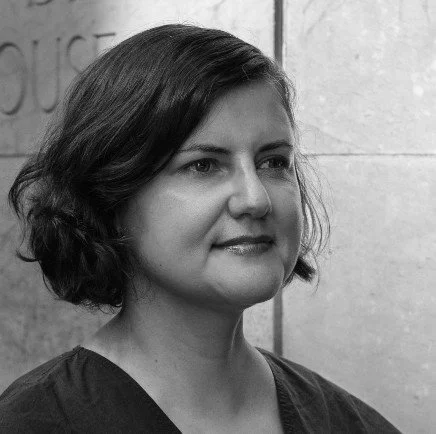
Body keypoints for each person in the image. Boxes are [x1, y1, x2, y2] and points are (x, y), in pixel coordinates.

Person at [0, 24, 400, 433]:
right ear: (110, 197)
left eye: (274, 162)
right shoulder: (35, 423)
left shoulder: (349, 423)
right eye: (203, 166)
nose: (256, 199)